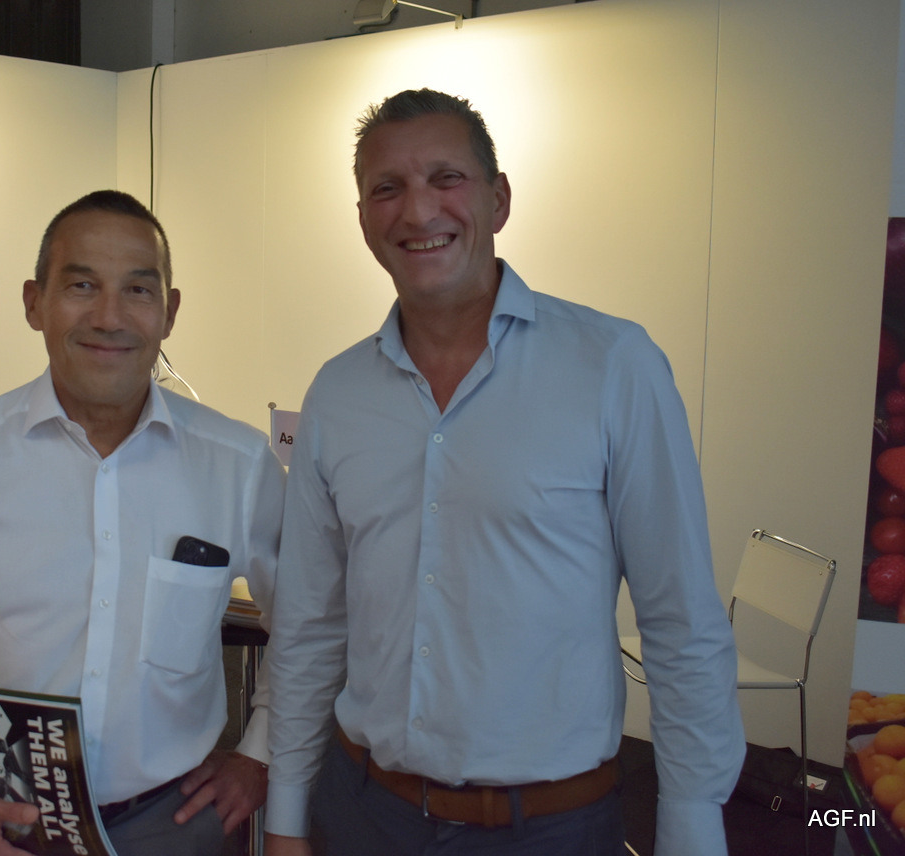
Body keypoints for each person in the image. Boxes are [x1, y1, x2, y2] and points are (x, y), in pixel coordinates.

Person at [263, 89, 744, 856]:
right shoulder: (338, 393)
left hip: (547, 829)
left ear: (499, 199)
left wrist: (691, 826)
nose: (418, 210)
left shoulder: (613, 367)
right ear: (363, 220)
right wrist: (285, 814)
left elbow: (680, 620)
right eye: (387, 188)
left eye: (445, 178)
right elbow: (310, 625)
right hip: (362, 813)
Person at [0, 189, 284, 856]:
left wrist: (260, 754)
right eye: (81, 285)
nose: (109, 316)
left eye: (137, 289)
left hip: (171, 823)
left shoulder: (238, 465)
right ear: (33, 302)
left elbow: (308, 625)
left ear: (169, 311)